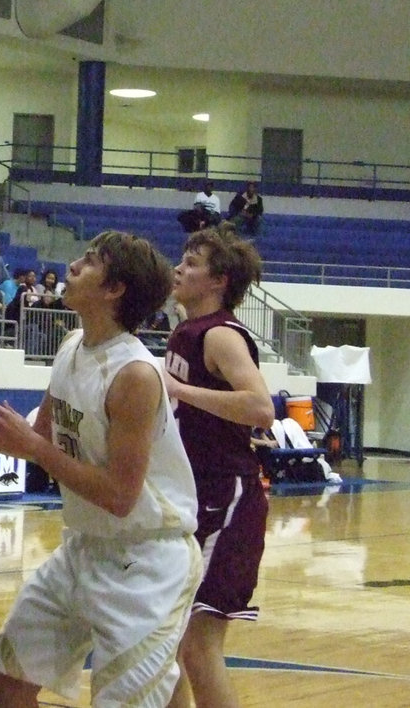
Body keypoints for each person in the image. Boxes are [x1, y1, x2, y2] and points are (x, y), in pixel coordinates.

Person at [0, 231, 201, 708]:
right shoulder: (72, 345)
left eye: (89, 262)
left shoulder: (134, 374)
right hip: (83, 547)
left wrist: (37, 447)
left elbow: (119, 495)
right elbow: (38, 441)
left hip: (145, 560)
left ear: (114, 289)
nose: (72, 265)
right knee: (8, 684)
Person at [164, 227, 273, 708]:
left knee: (196, 642)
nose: (179, 269)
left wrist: (180, 390)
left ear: (218, 280)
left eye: (191, 263)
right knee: (164, 640)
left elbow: (260, 408)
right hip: (189, 495)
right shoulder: (184, 332)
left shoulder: (221, 334)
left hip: (226, 497)